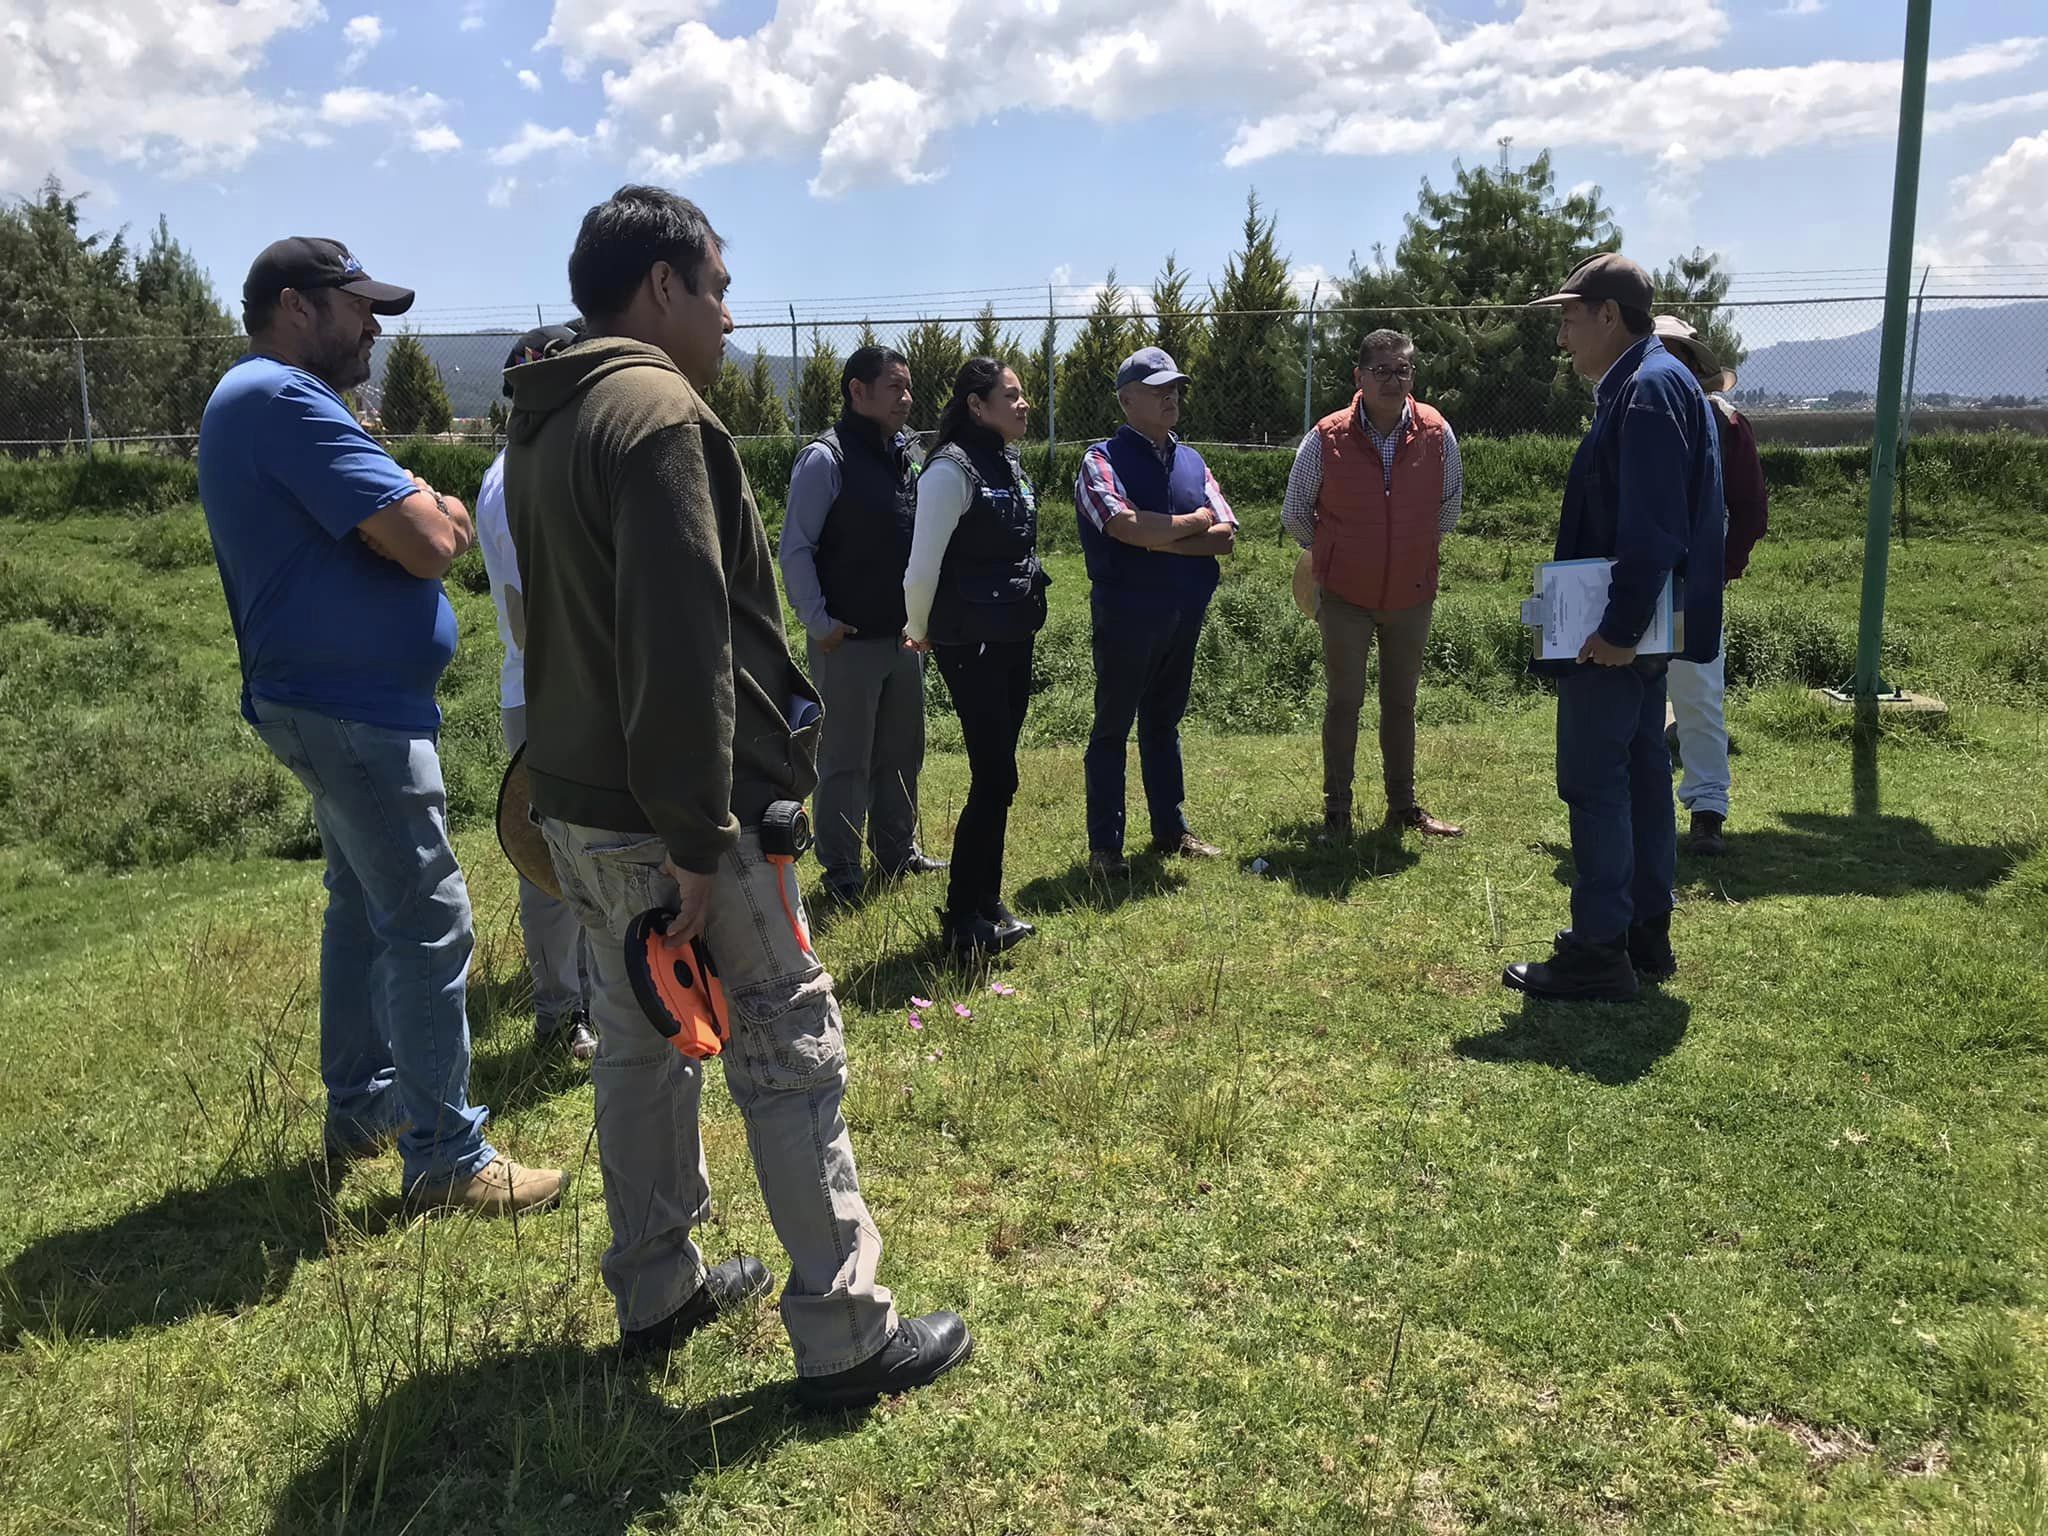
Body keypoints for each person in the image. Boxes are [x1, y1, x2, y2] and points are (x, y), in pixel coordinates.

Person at [504, 185, 970, 1406]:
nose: (726, 312)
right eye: (714, 286)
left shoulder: (543, 415)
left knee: (640, 1049)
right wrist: (701, 838)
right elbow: (682, 645)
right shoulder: (656, 411)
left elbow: (546, 622)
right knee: (785, 1039)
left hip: (581, 805)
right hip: (678, 817)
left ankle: (656, 1284)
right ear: (658, 287)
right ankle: (845, 1331)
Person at [197, 238, 565, 1215]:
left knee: (362, 907)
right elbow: (430, 537)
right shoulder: (281, 399)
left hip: (334, 702)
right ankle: (446, 1157)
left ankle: (364, 1107)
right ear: (293, 306)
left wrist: (418, 509)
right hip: (347, 708)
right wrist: (427, 509)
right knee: (429, 916)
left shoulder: (272, 403)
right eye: (356, 307)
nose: (373, 327)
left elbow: (413, 524)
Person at [1506, 254, 1726, 1002]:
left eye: (1570, 318)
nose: (1562, 337)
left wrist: (1620, 629)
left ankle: (1600, 948)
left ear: (1609, 315)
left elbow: (1653, 528)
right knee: (1638, 777)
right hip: (1636, 632)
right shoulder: (1652, 384)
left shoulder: (1646, 390)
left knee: (1594, 782)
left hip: (1619, 638)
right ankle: (1642, 936)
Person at [1283, 328, 1466, 845]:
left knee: (1401, 703)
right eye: (1381, 370)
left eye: (1402, 369)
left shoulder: (1436, 432)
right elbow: (1297, 515)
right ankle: (1337, 811)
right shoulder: (1326, 436)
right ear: (1359, 377)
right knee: (1344, 701)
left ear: (1413, 375)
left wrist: (1408, 550)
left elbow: (1448, 508)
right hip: (1345, 595)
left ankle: (1402, 806)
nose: (1392, 379)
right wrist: (1339, 554)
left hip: (1411, 592)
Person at [778, 345, 947, 905]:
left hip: (901, 638)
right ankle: (843, 869)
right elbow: (795, 549)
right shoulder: (826, 459)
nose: (907, 397)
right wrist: (819, 621)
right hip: (845, 641)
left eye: (908, 386)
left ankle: (897, 853)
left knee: (902, 751)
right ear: (858, 391)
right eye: (895, 387)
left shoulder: (902, 454)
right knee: (844, 759)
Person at [474, 323, 598, 1061]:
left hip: (567, 688)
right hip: (550, 692)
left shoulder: (548, 461)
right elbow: (531, 617)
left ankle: (593, 996)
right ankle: (559, 1013)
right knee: (554, 860)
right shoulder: (515, 476)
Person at [902, 357, 1046, 958]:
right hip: (971, 642)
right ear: (976, 407)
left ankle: (987, 903)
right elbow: (922, 566)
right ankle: (963, 919)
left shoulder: (1006, 462)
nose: (1022, 404)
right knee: (993, 775)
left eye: (1022, 395)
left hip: (1011, 632)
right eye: (1009, 396)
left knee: (1000, 775)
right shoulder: (949, 470)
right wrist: (917, 628)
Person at [1074, 346, 1236, 877]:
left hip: (1184, 611)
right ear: (1126, 400)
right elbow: (1122, 526)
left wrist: (1159, 536)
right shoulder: (1100, 459)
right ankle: (1106, 847)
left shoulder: (1192, 460)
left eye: (1176, 388)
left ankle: (1171, 829)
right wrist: (1192, 520)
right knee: (1113, 727)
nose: (1172, 396)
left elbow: (1225, 537)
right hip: (1126, 613)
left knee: (1164, 721)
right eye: (1158, 388)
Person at [1652, 315, 1769, 858]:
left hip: (1693, 579)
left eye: (1677, 351)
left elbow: (1749, 508)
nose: (1669, 359)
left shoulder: (1725, 422)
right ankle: (1640, 805)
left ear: (1695, 364)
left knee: (1698, 694)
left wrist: (1718, 570)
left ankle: (1707, 812)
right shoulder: (1624, 409)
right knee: (1637, 694)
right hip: (1634, 573)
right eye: (1661, 348)